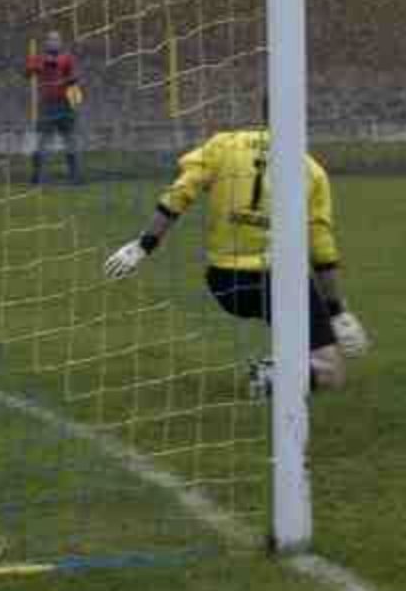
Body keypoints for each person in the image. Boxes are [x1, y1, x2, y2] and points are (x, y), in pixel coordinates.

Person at [102, 115, 369, 395]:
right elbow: (320, 245)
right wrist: (336, 311)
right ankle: (272, 375)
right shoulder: (311, 171)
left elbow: (180, 193)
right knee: (332, 372)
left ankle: (282, 363)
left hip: (224, 282)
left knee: (288, 328)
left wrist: (143, 245)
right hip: (279, 282)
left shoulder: (225, 145)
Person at [25, 30, 82, 184]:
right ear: (46, 43)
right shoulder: (40, 58)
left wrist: (68, 80)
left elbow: (75, 77)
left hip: (65, 105)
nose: (53, 42)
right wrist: (33, 65)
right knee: (42, 142)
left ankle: (75, 176)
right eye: (51, 40)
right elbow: (29, 72)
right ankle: (37, 176)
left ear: (60, 43)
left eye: (56, 40)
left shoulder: (67, 58)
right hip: (47, 106)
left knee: (70, 141)